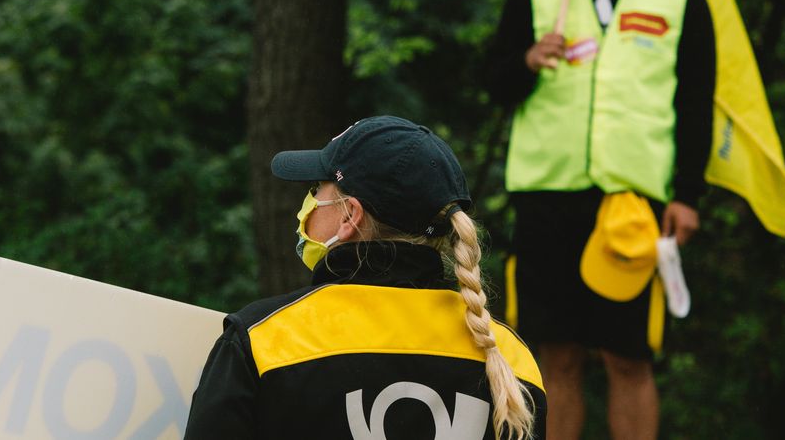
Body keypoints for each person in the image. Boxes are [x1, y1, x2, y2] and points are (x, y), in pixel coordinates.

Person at [483, 0, 716, 440]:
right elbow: (491, 79)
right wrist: (528, 60)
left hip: (631, 205)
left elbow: (696, 102)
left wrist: (687, 196)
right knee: (554, 356)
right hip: (546, 198)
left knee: (629, 356)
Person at [185, 115, 546, 440]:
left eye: (316, 189)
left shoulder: (262, 340)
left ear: (349, 215)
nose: (308, 203)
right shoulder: (509, 357)